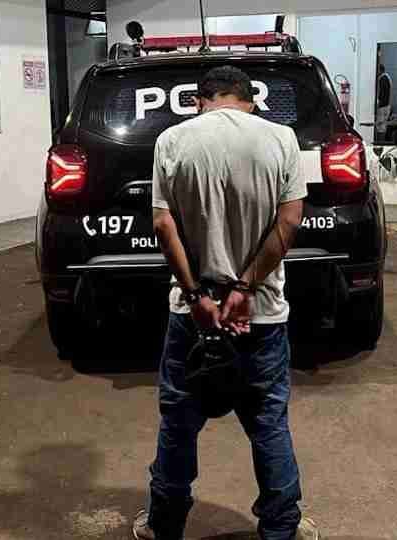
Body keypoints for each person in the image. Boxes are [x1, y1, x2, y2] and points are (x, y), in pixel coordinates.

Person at [132, 65, 320, 540]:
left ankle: (164, 525)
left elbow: (162, 226)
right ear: (250, 101)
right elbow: (290, 221)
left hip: (193, 316)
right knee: (269, 424)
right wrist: (245, 289)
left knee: (179, 424)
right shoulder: (280, 139)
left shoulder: (173, 141)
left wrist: (198, 296)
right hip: (261, 313)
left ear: (200, 101)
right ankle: (281, 528)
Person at [375, 64, 393, 142]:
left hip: (382, 106)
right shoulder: (387, 77)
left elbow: (381, 93)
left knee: (380, 127)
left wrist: (378, 104)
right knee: (383, 126)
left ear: (380, 70)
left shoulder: (382, 78)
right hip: (387, 105)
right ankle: (381, 142)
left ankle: (380, 143)